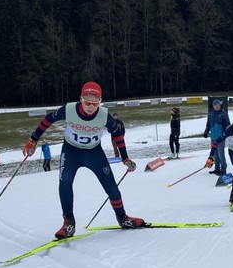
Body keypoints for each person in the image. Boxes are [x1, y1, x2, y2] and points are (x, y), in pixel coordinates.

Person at [22, 81, 146, 238]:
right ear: (81, 99)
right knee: (65, 182)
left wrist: (125, 157)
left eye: (95, 103)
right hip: (71, 151)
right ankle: (69, 223)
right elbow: (48, 120)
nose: (91, 106)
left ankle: (122, 218)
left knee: (112, 187)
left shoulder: (103, 115)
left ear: (100, 102)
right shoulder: (69, 110)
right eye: (87, 102)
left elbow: (117, 134)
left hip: (94, 153)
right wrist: (33, 139)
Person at [203, 99, 230, 176]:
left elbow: (227, 125)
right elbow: (208, 125)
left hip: (220, 137)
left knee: (221, 153)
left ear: (220, 105)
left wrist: (226, 134)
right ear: (213, 106)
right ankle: (217, 168)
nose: (217, 106)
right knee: (215, 154)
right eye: (215, 105)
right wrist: (206, 132)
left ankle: (223, 169)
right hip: (213, 137)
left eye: (218, 105)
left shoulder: (224, 114)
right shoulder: (210, 114)